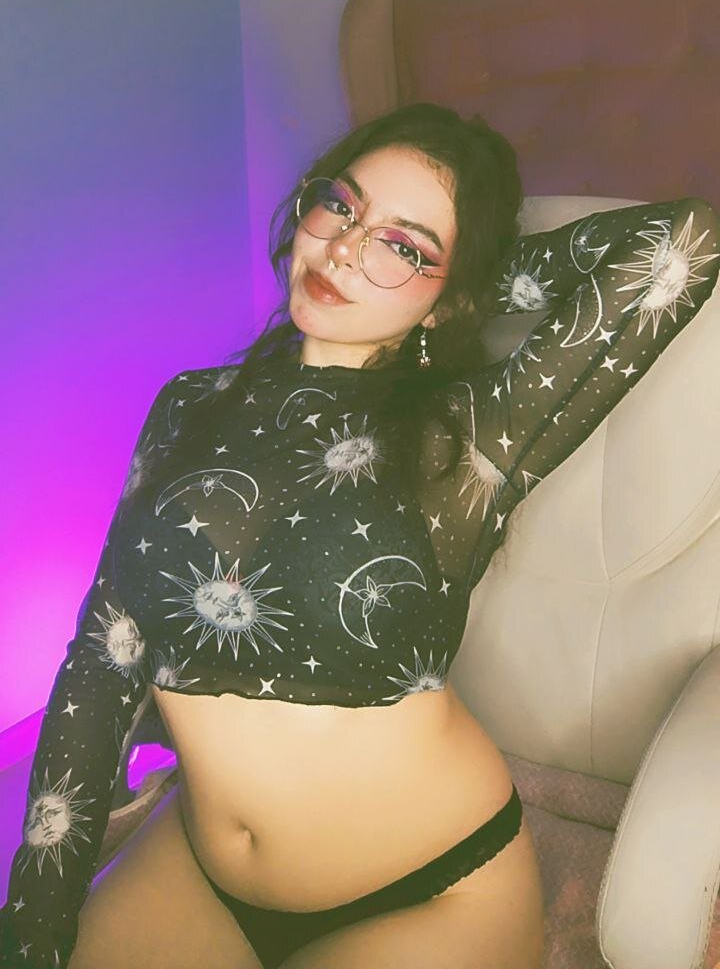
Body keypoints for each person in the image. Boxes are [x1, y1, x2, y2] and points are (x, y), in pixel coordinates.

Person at [1, 103, 718, 969]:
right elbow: (103, 656)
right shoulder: (188, 404)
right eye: (341, 206)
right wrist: (36, 917)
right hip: (196, 867)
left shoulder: (473, 433)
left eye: (402, 245)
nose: (345, 249)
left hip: (429, 890)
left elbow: (685, 242)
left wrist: (459, 289)